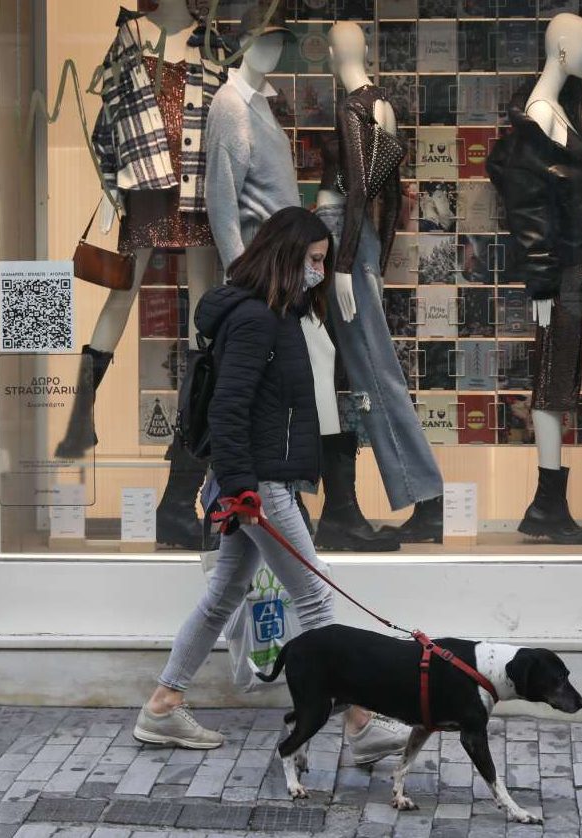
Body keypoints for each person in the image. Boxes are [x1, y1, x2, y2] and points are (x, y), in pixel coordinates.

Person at [133, 207, 410, 761]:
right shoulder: (258, 320)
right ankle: (359, 723)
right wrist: (241, 491)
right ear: (286, 257)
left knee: (222, 597)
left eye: (323, 262)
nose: (318, 272)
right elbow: (230, 410)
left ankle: (162, 706)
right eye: (312, 260)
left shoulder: (275, 316)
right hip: (260, 484)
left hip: (254, 481)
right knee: (315, 593)